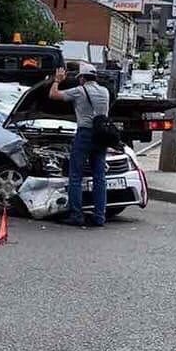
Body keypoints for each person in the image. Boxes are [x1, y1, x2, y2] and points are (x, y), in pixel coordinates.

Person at [50, 62, 110, 228]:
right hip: (102, 136)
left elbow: (53, 95)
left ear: (82, 78)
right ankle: (100, 217)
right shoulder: (105, 92)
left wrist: (57, 80)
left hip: (85, 135)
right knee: (100, 177)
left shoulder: (80, 91)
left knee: (75, 176)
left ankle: (76, 214)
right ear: (95, 77)